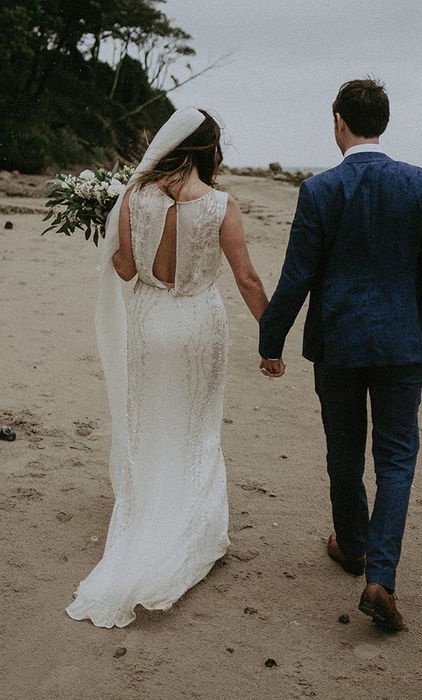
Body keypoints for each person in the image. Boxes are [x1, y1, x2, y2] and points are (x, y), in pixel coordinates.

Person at [66, 108, 283, 628]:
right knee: (196, 426)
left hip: (147, 320)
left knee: (151, 422)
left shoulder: (133, 197)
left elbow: (123, 267)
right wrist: (271, 339)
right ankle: (193, 530)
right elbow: (247, 279)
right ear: (208, 149)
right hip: (196, 324)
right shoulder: (221, 205)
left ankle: (144, 514)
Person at [258, 79, 422, 631]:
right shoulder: (419, 184)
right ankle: (380, 577)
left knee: (344, 450)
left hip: (340, 343)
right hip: (401, 346)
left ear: (339, 123)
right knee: (396, 459)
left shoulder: (320, 190)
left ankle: (351, 544)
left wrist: (270, 341)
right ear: (383, 123)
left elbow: (296, 276)